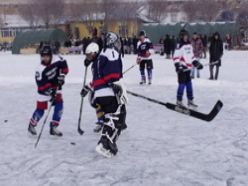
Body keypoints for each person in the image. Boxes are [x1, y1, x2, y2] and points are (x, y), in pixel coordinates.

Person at [81, 32, 128, 158]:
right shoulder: (110, 52)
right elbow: (111, 73)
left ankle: (105, 143)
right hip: (109, 93)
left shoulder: (99, 57)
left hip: (99, 95)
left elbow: (98, 78)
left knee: (110, 119)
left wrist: (88, 88)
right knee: (119, 118)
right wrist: (114, 84)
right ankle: (107, 143)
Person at [28, 45, 69, 136]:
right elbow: (41, 85)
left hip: (56, 87)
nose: (45, 58)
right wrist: (50, 91)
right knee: (40, 110)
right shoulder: (39, 69)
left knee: (59, 105)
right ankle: (32, 124)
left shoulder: (58, 59)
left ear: (51, 55)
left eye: (47, 56)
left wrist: (62, 75)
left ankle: (53, 126)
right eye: (43, 56)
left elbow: (65, 66)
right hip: (43, 91)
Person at [173, 31, 203, 108]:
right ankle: (179, 101)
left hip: (188, 69)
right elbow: (176, 57)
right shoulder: (179, 45)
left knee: (189, 85)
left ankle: (190, 100)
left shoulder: (189, 45)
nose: (186, 37)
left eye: (187, 36)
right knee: (182, 85)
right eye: (184, 36)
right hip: (182, 68)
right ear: (181, 37)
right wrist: (178, 66)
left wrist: (196, 63)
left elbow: (192, 57)